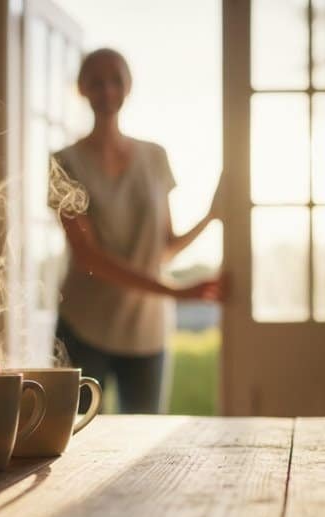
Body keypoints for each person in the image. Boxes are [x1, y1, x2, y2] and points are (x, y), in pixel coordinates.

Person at [53, 48, 223, 414]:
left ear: (128, 87)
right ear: (82, 89)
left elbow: (162, 249)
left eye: (116, 80)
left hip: (147, 330)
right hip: (84, 325)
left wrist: (211, 217)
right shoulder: (64, 162)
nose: (107, 90)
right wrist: (175, 292)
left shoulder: (155, 157)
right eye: (96, 82)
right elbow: (88, 258)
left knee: (143, 447)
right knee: (73, 440)